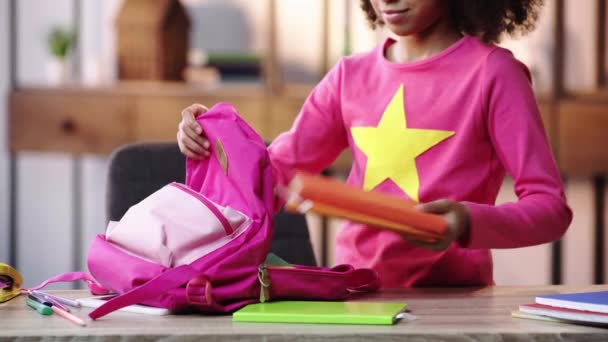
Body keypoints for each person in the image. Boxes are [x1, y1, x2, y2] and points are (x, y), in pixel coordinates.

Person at [177, 0, 572, 287]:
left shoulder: (494, 74)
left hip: (454, 302)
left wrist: (467, 222)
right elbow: (272, 175)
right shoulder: (350, 75)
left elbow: (550, 209)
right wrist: (212, 141)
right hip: (356, 294)